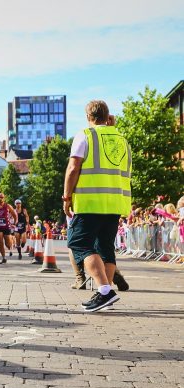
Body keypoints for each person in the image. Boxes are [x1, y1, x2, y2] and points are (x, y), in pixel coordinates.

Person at [63, 100, 132, 312]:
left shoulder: (86, 135)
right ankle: (106, 297)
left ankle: (104, 290)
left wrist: (67, 197)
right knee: (105, 248)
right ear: (107, 116)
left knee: (79, 243)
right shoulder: (122, 140)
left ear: (88, 117)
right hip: (115, 202)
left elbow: (74, 167)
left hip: (90, 201)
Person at [0, 193, 18, 264]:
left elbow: (14, 215)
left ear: (4, 198)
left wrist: (15, 222)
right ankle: (4, 257)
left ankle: (10, 247)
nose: (0, 198)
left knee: (8, 244)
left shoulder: (8, 206)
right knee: (0, 242)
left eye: (2, 197)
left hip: (6, 227)